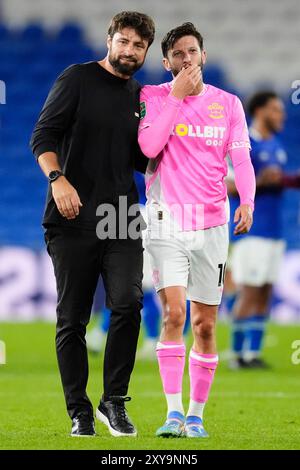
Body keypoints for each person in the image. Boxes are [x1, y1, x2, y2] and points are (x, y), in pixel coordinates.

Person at [30, 11, 155, 437]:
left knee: (128, 304)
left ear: (145, 52)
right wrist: (57, 179)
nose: (130, 51)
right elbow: (43, 137)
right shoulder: (76, 79)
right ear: (109, 40)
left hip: (121, 216)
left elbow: (142, 158)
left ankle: (113, 401)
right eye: (124, 41)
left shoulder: (140, 97)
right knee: (73, 319)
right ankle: (79, 411)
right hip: (71, 217)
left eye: (138, 46)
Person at [138, 22, 256, 438]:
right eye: (178, 54)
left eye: (193, 52)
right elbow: (150, 148)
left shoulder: (229, 104)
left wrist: (247, 200)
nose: (187, 59)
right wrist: (176, 96)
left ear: (203, 56)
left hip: (212, 225)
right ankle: (172, 414)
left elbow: (241, 160)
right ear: (166, 62)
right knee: (174, 314)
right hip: (165, 220)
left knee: (205, 325)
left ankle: (196, 417)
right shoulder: (152, 96)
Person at [228, 91, 300, 369]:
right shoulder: (244, 142)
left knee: (265, 292)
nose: (281, 116)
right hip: (252, 231)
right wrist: (261, 179)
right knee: (249, 291)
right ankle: (237, 355)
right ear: (259, 111)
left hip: (274, 232)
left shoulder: (277, 145)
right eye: (275, 110)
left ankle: (252, 354)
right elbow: (230, 185)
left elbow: (278, 182)